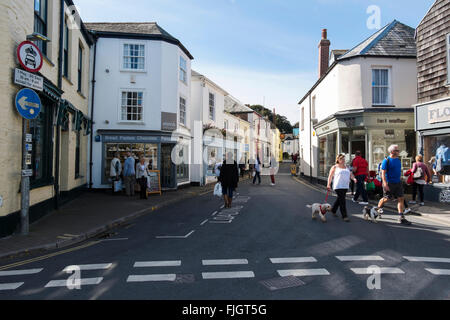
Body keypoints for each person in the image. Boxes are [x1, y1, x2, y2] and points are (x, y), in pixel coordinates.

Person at [377, 145, 411, 225]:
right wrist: (385, 184)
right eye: (397, 150)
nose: (398, 152)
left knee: (401, 198)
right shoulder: (386, 160)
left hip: (398, 182)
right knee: (387, 198)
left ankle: (401, 217)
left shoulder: (398, 160)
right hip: (389, 183)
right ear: (392, 151)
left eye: (398, 150)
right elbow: (383, 173)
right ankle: (378, 209)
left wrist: (402, 179)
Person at [327, 154, 357, 222]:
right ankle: (344, 215)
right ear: (338, 159)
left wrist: (354, 179)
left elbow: (351, 174)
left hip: (345, 186)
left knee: (340, 199)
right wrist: (328, 184)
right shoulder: (334, 167)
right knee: (342, 200)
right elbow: (330, 176)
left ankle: (333, 210)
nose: (343, 160)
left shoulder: (346, 167)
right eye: (341, 159)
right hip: (338, 186)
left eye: (344, 159)